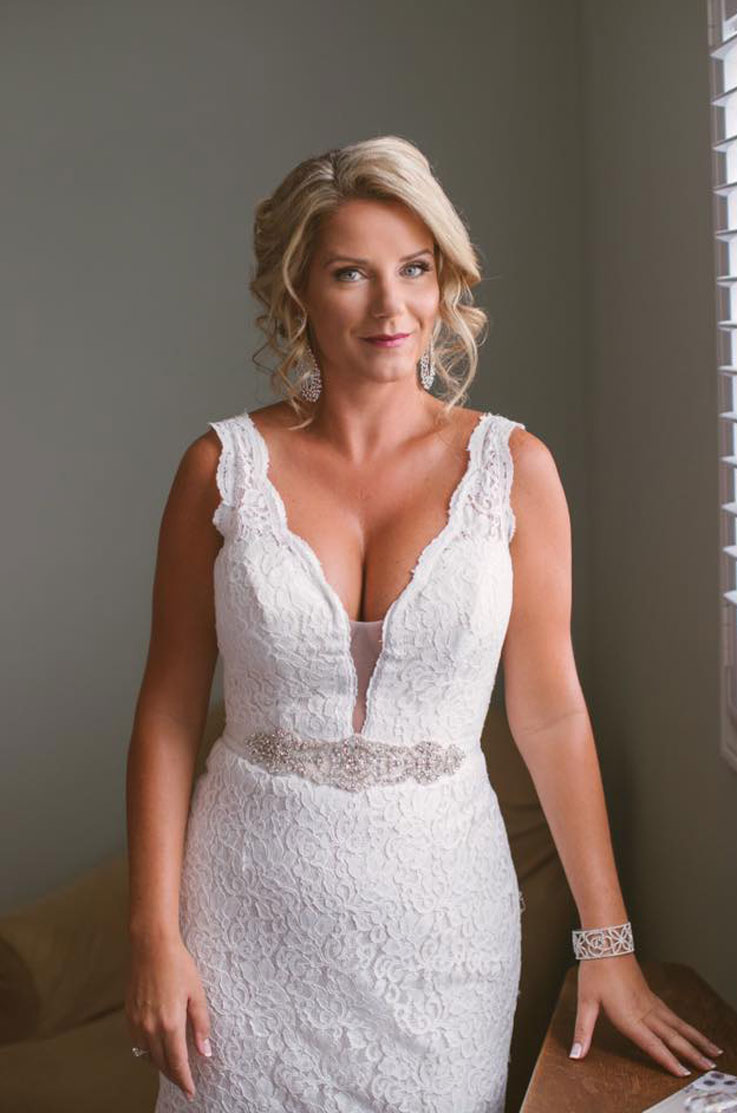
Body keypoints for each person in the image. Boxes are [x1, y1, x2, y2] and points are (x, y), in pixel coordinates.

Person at [124, 135, 723, 1113]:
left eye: (414, 269)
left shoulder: (511, 469)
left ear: (444, 283)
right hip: (241, 925)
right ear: (297, 292)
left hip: (443, 931)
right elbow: (166, 712)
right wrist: (153, 935)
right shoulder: (219, 470)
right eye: (349, 273)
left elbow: (551, 717)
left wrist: (606, 947)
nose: (389, 305)